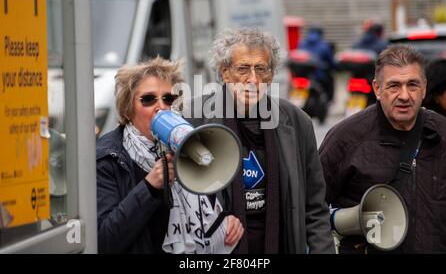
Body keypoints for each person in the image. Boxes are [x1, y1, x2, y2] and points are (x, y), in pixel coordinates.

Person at [184, 27, 335, 254]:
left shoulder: (297, 122)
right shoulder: (194, 118)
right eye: (243, 68)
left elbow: (314, 207)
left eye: (261, 69)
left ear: (271, 75)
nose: (252, 79)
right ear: (225, 72)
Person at [96, 57, 243, 253]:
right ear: (128, 109)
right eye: (148, 99)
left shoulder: (190, 144)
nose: (161, 107)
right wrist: (149, 187)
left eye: (168, 99)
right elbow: (104, 241)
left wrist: (225, 222)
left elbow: (207, 206)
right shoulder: (109, 157)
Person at [319, 45, 446, 253]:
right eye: (394, 86)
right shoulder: (345, 138)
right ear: (377, 89)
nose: (404, 95)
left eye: (412, 85)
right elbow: (309, 208)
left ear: (424, 87)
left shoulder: (445, 134)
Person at [298, 26, 336, 102]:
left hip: (301, 75)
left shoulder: (302, 43)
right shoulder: (324, 46)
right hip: (318, 76)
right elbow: (331, 62)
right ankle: (328, 101)